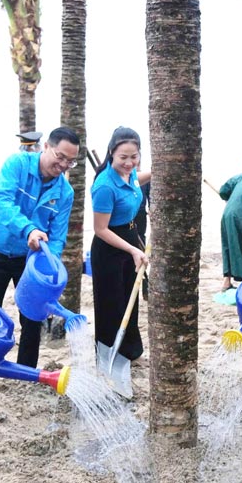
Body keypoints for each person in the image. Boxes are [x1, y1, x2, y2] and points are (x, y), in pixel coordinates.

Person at [0, 126, 80, 368]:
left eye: (70, 162)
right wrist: (28, 229)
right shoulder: (17, 164)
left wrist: (49, 268)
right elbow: (2, 203)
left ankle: (26, 373)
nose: (63, 165)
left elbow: (57, 237)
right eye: (60, 156)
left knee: (32, 319)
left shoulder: (65, 192)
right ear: (46, 147)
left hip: (30, 261)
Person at [91, 127, 150, 365]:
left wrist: (157, 171)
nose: (129, 162)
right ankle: (108, 359)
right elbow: (100, 229)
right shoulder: (105, 186)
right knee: (111, 305)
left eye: (134, 157)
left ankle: (131, 352)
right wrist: (133, 249)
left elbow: (135, 179)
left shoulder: (129, 173)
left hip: (130, 239)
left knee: (130, 300)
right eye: (123, 157)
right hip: (109, 247)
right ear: (111, 153)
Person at [218, 173, 242, 292]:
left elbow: (223, 190)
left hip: (228, 213)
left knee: (228, 246)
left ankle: (226, 282)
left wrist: (228, 199)